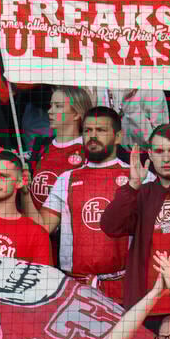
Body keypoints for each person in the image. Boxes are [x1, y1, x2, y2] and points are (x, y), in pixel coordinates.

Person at [101, 124, 170, 313]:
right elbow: (110, 226)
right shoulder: (141, 193)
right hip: (148, 306)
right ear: (149, 154)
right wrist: (132, 185)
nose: (166, 158)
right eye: (159, 151)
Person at [23, 107, 128, 295]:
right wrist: (24, 192)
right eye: (88, 130)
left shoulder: (138, 177)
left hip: (123, 288)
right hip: (76, 289)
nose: (93, 136)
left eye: (101, 130)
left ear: (118, 137)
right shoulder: (66, 178)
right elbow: (42, 228)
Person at [28, 86, 91, 209]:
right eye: (51, 105)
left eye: (58, 106)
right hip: (36, 224)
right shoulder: (41, 145)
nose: (50, 111)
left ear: (76, 114)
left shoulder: (89, 150)